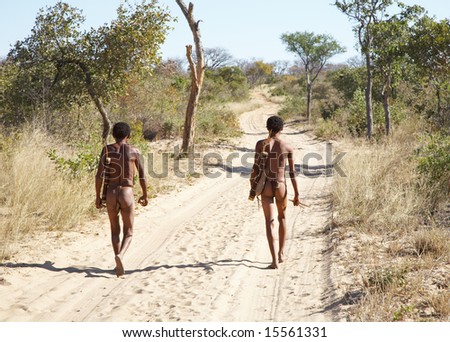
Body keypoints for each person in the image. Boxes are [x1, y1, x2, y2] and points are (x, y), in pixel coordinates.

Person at [95, 122, 148, 277]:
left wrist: (98, 196)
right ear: (128, 135)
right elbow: (142, 176)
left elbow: (99, 176)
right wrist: (145, 194)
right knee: (129, 231)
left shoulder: (107, 150)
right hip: (127, 192)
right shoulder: (134, 151)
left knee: (114, 230)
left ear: (113, 135)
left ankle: (118, 265)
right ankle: (121, 256)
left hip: (111, 192)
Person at [250, 116, 300, 269]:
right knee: (282, 218)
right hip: (281, 185)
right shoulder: (287, 147)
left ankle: (274, 261)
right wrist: (297, 194)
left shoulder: (261, 144)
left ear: (267, 128)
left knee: (269, 222)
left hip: (266, 186)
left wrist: (253, 187)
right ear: (282, 129)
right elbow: (292, 173)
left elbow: (256, 168)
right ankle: (281, 253)